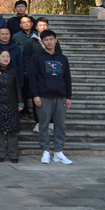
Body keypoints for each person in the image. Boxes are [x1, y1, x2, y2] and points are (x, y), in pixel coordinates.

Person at [29, 30, 73, 165]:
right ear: (42, 42)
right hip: (44, 96)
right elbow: (32, 77)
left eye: (51, 39)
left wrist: (68, 96)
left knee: (60, 125)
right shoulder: (37, 57)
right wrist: (35, 95)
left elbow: (67, 77)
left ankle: (59, 151)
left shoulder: (62, 58)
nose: (49, 42)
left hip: (61, 96)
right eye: (46, 40)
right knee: (43, 124)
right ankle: (45, 150)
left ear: (55, 40)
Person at [23, 17, 63, 132]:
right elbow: (26, 58)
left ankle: (52, 122)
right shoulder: (31, 41)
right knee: (37, 99)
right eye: (40, 25)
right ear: (36, 27)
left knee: (53, 99)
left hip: (52, 75)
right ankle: (39, 122)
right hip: (37, 75)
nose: (43, 27)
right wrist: (28, 72)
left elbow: (59, 56)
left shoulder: (53, 41)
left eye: (45, 25)